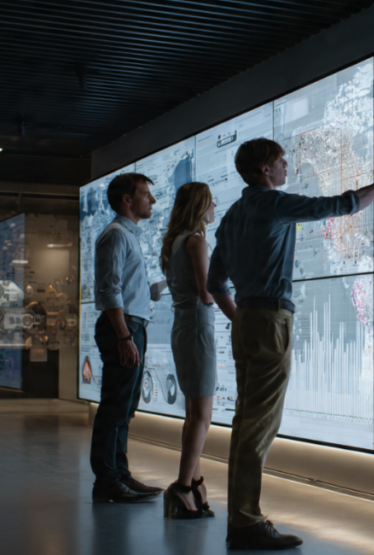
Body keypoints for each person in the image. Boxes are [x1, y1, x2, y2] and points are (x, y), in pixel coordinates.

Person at [207, 138, 374, 550]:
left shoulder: (232, 215)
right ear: (265, 171)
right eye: (281, 162)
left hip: (248, 320)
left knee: (245, 423)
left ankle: (241, 518)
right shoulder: (273, 204)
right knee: (259, 426)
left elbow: (215, 283)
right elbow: (342, 205)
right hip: (270, 318)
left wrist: (243, 319)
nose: (287, 167)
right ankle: (246, 522)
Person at [160, 182, 236, 519]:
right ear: (200, 206)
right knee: (202, 415)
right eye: (210, 201)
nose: (215, 206)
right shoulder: (196, 241)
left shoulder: (175, 242)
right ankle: (182, 487)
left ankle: (193, 482)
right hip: (198, 329)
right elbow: (208, 294)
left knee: (194, 415)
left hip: (183, 327)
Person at [90, 172, 166, 503]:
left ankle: (120, 475)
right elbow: (109, 289)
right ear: (127, 199)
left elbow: (129, 288)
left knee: (125, 408)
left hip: (133, 325)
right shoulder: (117, 235)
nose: (152, 200)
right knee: (115, 406)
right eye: (146, 194)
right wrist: (123, 336)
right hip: (124, 328)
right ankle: (107, 480)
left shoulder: (128, 236)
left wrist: (159, 287)